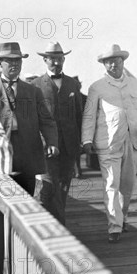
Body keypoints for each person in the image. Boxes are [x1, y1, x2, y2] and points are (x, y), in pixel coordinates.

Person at [81, 44, 137, 244]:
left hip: (132, 142)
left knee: (127, 185)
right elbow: (89, 116)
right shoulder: (97, 87)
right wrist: (87, 139)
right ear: (104, 64)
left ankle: (123, 218)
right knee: (111, 184)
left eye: (117, 60)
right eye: (109, 61)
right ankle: (114, 226)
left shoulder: (135, 84)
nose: (113, 64)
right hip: (109, 144)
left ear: (123, 62)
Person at [0, 42, 59, 196]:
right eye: (10, 60)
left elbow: (47, 121)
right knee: (1, 200)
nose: (14, 64)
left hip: (27, 154)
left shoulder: (33, 92)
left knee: (26, 197)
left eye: (18, 60)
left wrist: (52, 142)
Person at [32, 42, 83, 224]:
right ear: (45, 60)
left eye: (59, 58)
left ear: (64, 59)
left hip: (69, 147)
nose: (56, 62)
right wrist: (43, 142)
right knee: (49, 187)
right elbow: (34, 120)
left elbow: (79, 114)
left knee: (63, 187)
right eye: (52, 59)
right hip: (47, 147)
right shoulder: (36, 85)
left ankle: (54, 224)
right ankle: (60, 227)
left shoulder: (72, 84)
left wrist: (81, 142)